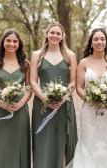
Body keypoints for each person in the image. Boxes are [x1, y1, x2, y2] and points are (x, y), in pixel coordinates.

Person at [69, 28, 107, 168]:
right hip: (89, 110)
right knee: (90, 142)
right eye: (96, 39)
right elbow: (79, 87)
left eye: (102, 39)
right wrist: (91, 100)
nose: (99, 42)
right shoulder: (84, 62)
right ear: (91, 43)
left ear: (106, 42)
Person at [30, 22, 78, 168]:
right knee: (43, 140)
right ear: (46, 34)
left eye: (58, 33)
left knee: (62, 140)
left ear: (62, 36)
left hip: (64, 105)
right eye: (52, 32)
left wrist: (62, 98)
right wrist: (45, 99)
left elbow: (73, 82)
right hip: (42, 105)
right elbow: (33, 81)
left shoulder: (70, 55)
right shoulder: (37, 55)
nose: (55, 36)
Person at [0, 29, 31, 168]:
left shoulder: (25, 64)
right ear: (3, 42)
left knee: (16, 143)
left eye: (15, 41)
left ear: (19, 44)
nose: (11, 44)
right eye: (8, 40)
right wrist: (1, 104)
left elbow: (29, 89)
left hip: (19, 110)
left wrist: (22, 103)